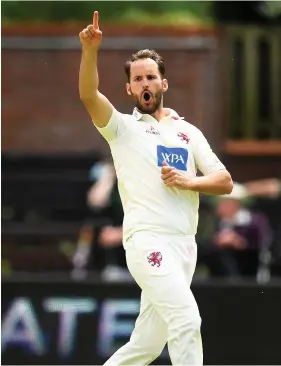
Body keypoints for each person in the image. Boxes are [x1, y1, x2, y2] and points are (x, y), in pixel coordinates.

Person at [79, 11, 233, 366]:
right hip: (147, 240)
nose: (144, 83)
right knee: (187, 320)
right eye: (137, 79)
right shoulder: (121, 129)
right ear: (129, 89)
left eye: (151, 76)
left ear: (164, 83)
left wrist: (189, 181)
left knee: (146, 346)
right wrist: (90, 51)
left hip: (184, 246)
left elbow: (223, 181)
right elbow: (88, 94)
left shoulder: (187, 132)